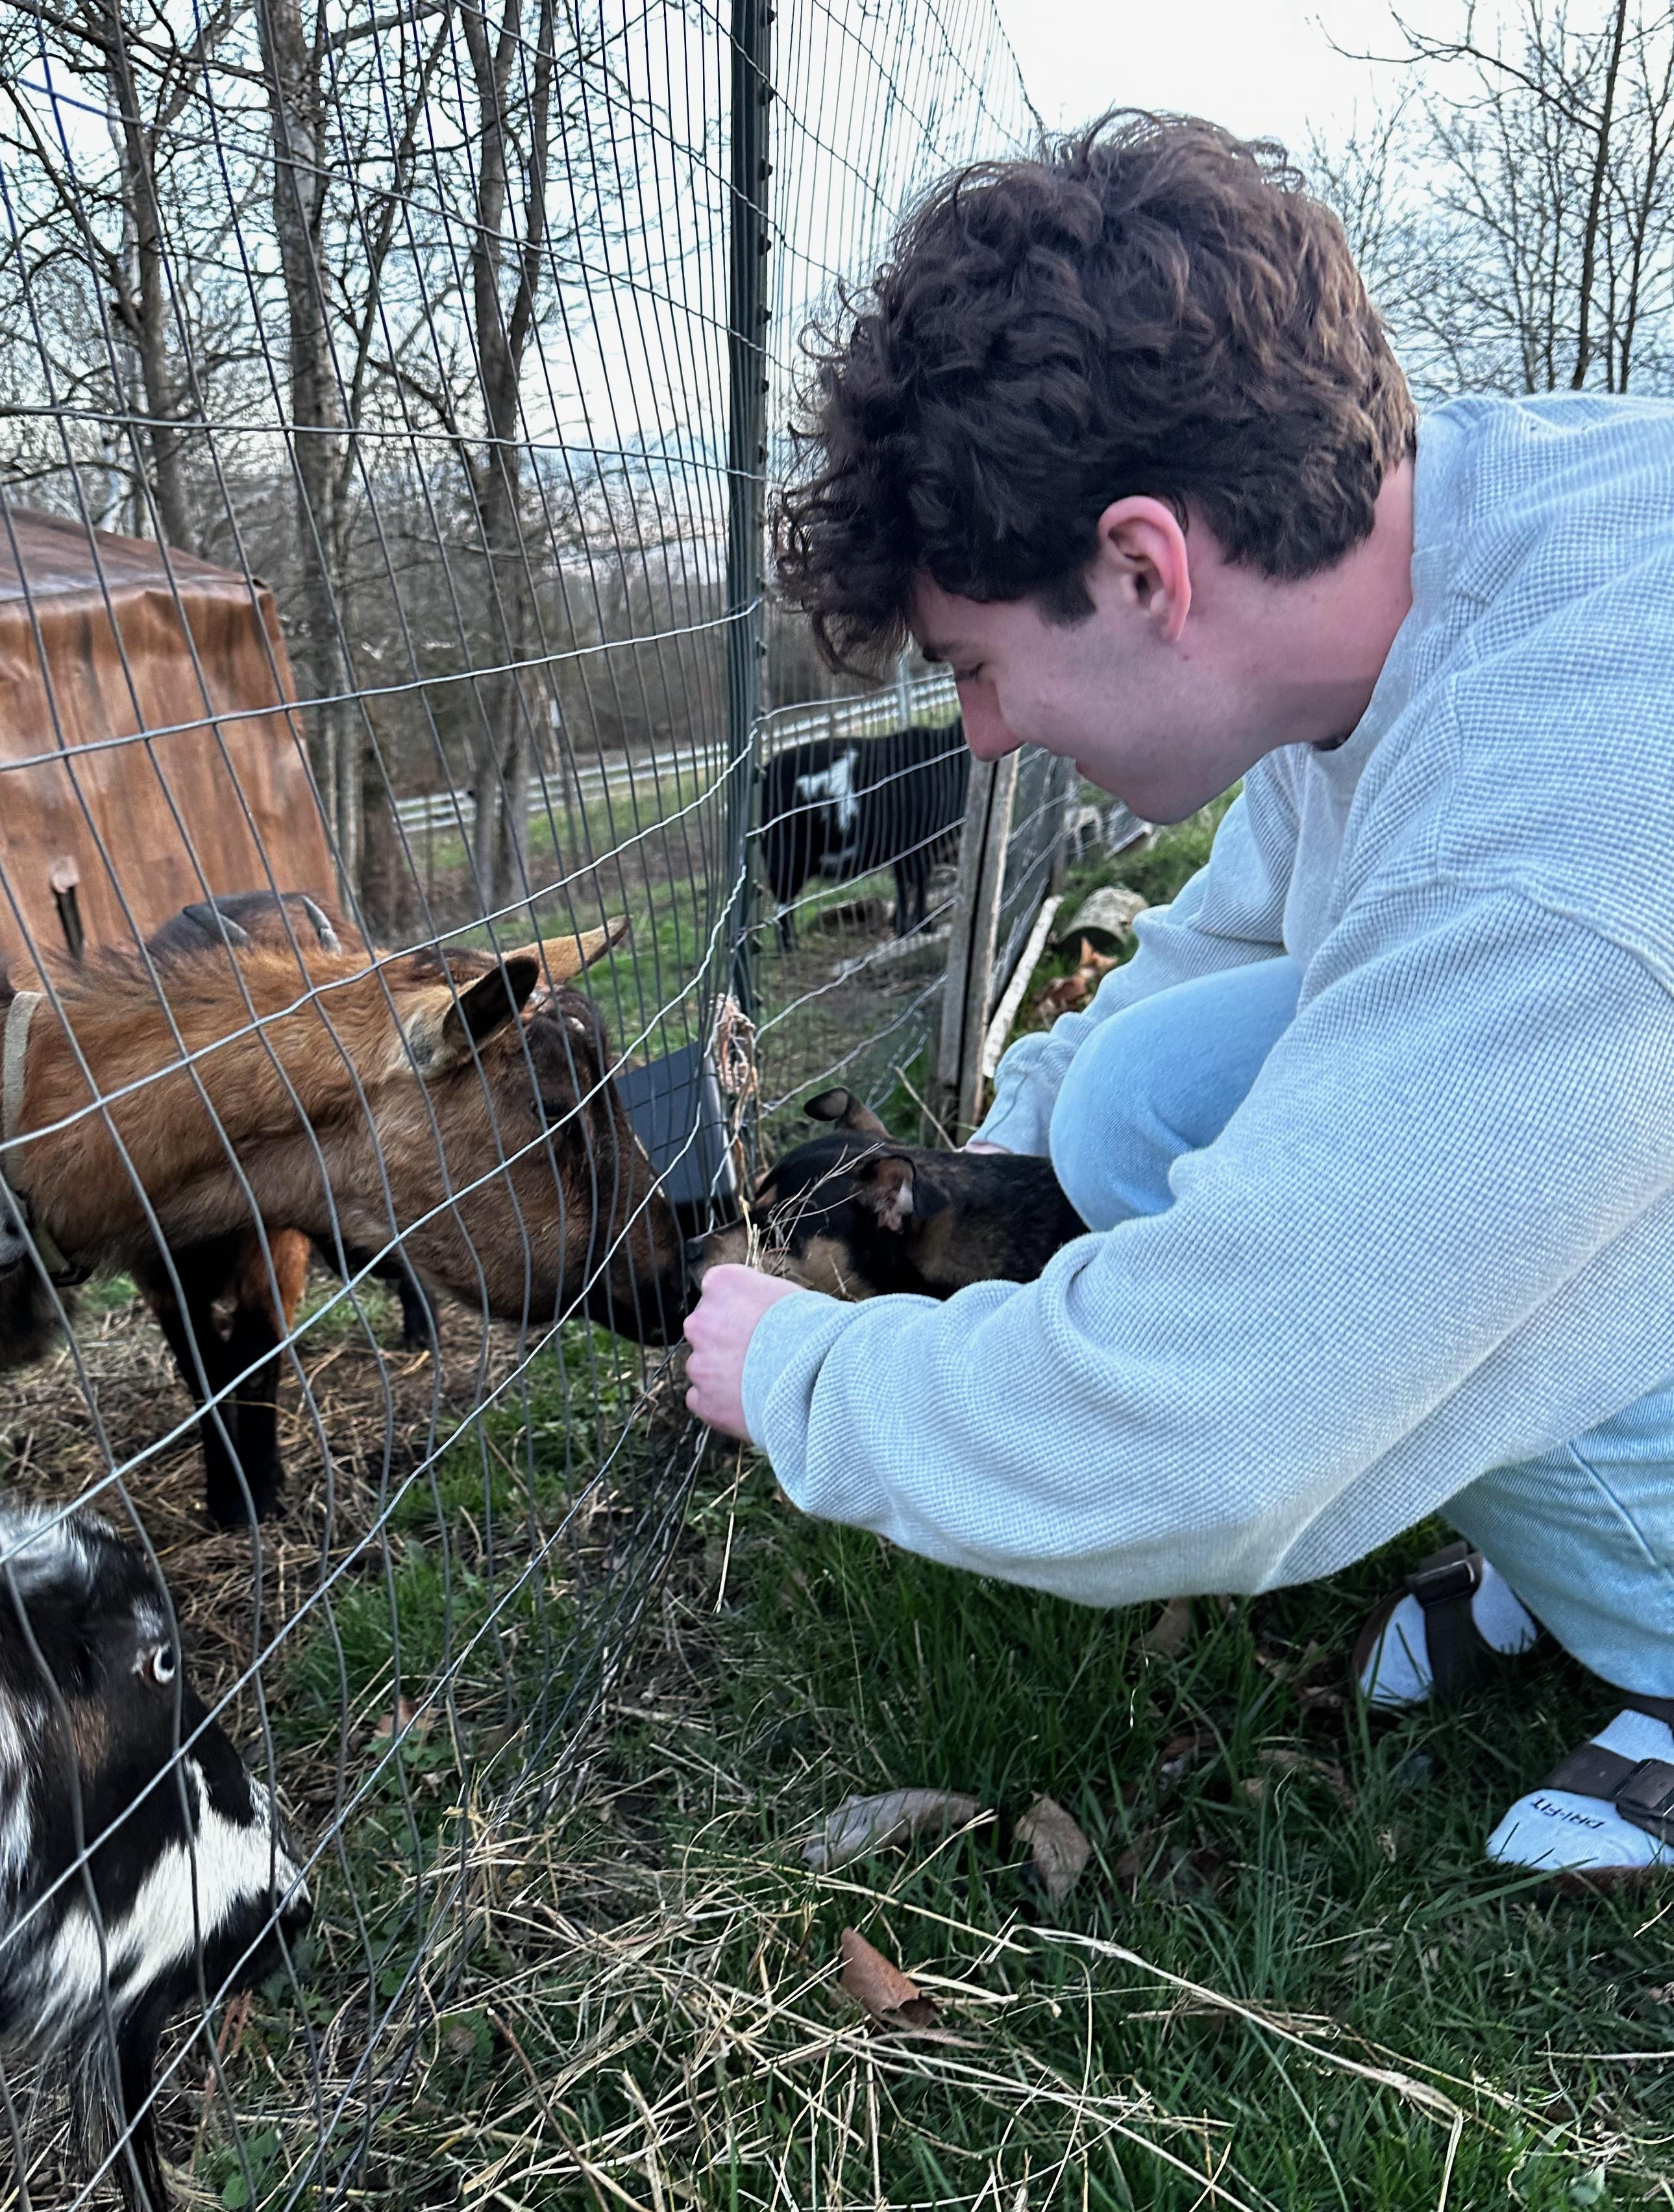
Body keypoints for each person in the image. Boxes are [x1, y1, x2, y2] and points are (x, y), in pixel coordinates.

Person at [683, 113, 1674, 1872]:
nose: (980, 733)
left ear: (1147, 569)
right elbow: (1229, 936)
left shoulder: (1553, 838)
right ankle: (1573, 1529)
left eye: (982, 668)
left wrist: (819, 1385)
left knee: (1352, 1274)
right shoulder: (1444, 552)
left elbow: (1227, 1423)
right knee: (1144, 1097)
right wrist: (1016, 1124)